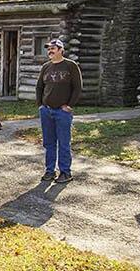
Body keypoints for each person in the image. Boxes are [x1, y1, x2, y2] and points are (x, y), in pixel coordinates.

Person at [36, 38, 82, 184]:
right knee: (49, 143)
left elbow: (77, 87)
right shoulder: (46, 67)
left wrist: (69, 105)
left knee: (63, 143)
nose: (50, 50)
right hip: (46, 111)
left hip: (62, 112)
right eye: (48, 48)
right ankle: (50, 171)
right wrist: (41, 105)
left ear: (61, 50)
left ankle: (65, 172)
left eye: (53, 48)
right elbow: (39, 87)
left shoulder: (70, 65)